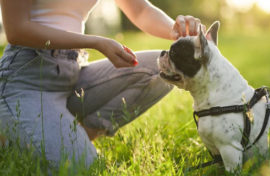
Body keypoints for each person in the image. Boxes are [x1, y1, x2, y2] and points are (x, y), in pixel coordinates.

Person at [0, 0, 203, 167]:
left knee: (163, 70)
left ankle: (77, 134)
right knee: (82, 169)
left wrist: (178, 31)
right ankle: (13, 137)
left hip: (72, 72)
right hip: (26, 80)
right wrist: (95, 42)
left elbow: (141, 10)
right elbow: (17, 30)